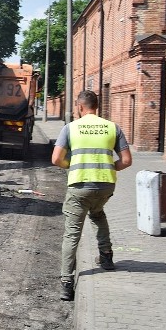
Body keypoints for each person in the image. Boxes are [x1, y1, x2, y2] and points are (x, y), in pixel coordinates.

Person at [51, 90, 132, 302]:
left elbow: (56, 158)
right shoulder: (113, 127)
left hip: (80, 185)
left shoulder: (70, 128)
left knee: (72, 233)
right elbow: (126, 160)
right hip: (105, 186)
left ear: (79, 106)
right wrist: (106, 168)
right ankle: (106, 258)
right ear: (97, 106)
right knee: (97, 214)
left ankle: (66, 283)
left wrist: (72, 166)